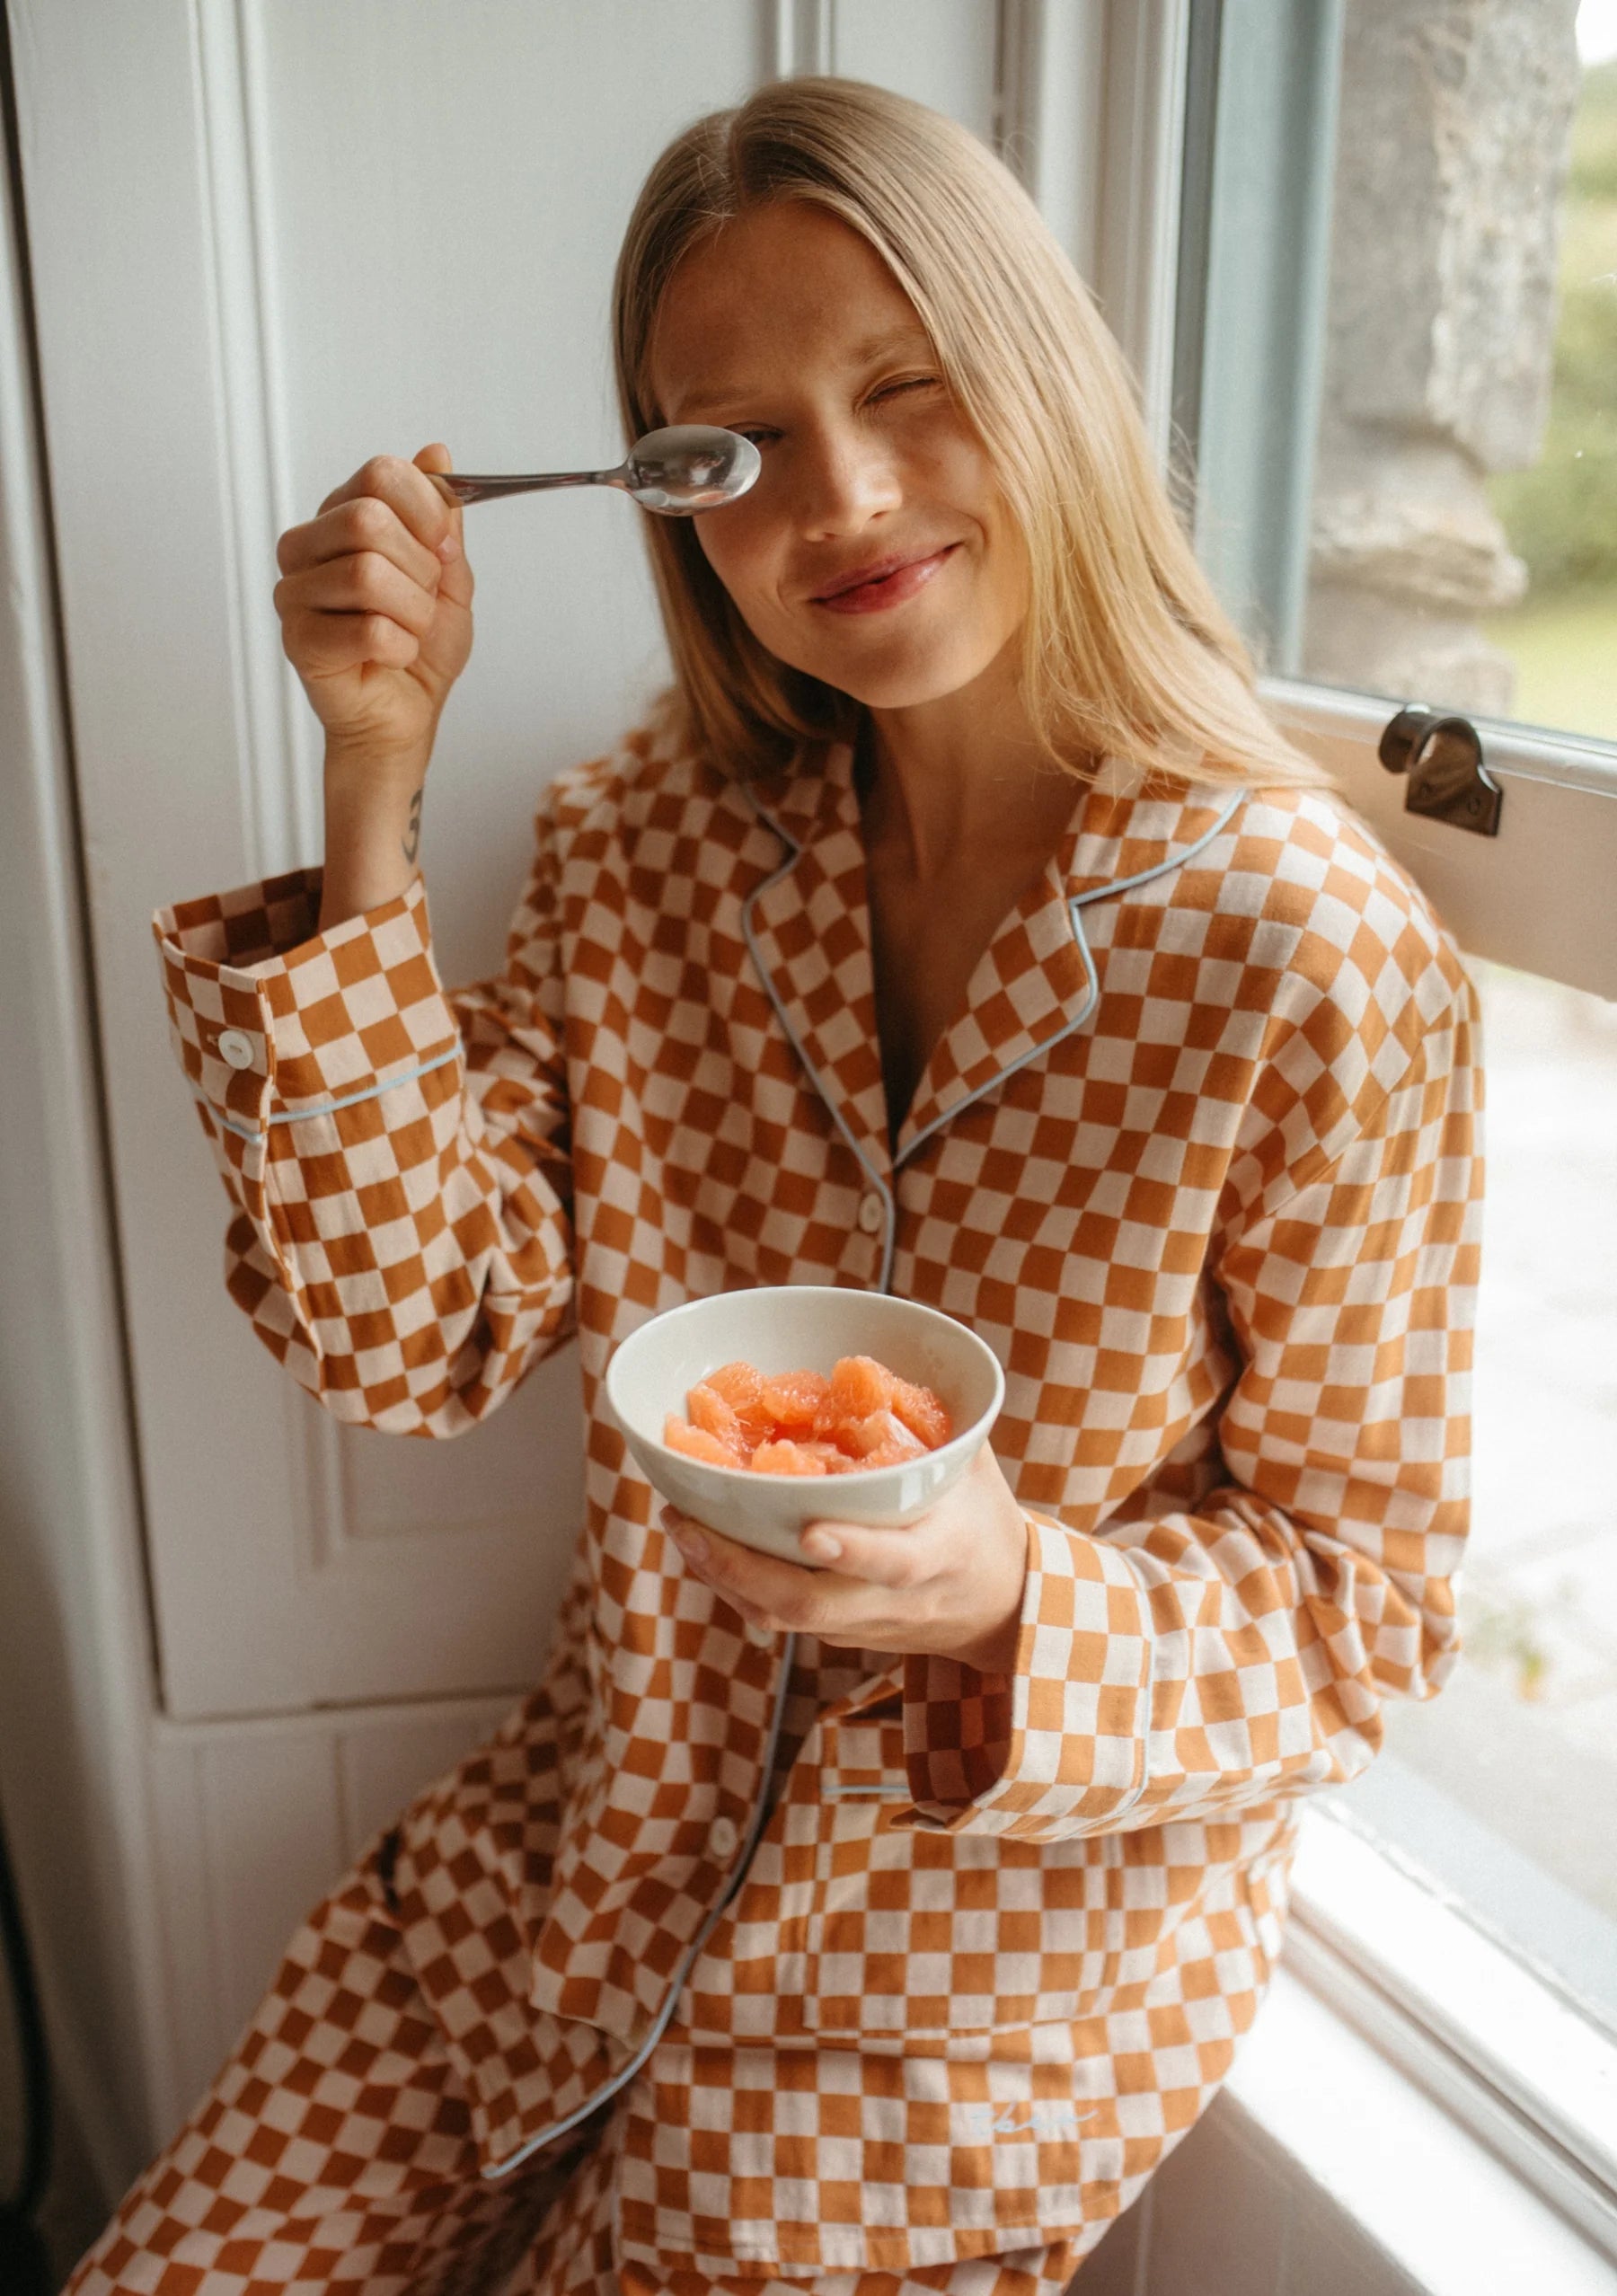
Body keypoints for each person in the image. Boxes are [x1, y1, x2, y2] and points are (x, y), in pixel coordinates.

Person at [67, 75, 1481, 2296]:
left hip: (930, 2049)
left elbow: (1363, 1610)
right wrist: (372, 770)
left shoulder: (1303, 958)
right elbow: (400, 1330)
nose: (844, 497)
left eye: (909, 388)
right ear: (666, 502)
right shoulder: (648, 854)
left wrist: (1015, 1587)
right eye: (733, 447)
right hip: (548, 1901)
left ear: (1042, 377)